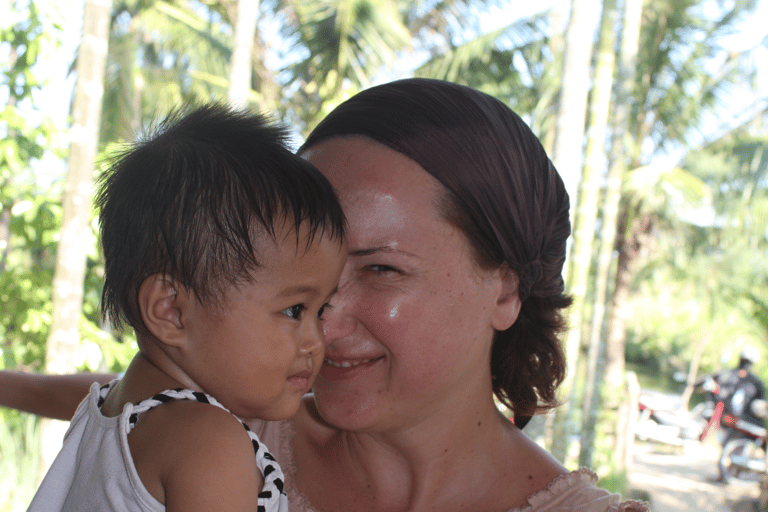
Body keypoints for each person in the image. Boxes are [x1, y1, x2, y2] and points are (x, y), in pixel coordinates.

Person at [4, 79, 647, 511]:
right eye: (300, 292)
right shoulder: (238, 418)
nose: (323, 323)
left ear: (505, 288)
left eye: (381, 271)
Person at [25, 104, 348, 512]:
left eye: (321, 311)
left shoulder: (103, 413)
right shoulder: (208, 441)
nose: (317, 340)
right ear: (171, 311)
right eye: (294, 310)